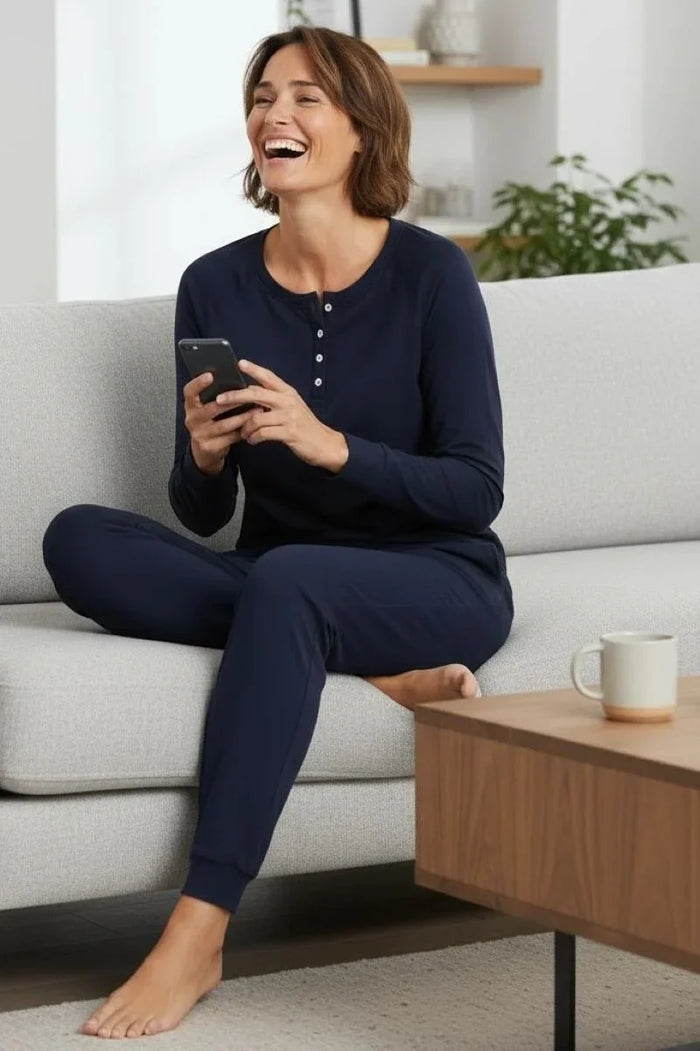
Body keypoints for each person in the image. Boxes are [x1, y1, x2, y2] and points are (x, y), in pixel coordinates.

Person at [41, 25, 514, 1040]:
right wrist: (204, 457)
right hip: (278, 570)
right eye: (263, 96)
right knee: (76, 537)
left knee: (288, 585)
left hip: (436, 573)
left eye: (306, 97)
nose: (275, 116)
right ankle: (368, 666)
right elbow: (203, 518)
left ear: (362, 127)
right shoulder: (215, 284)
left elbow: (475, 490)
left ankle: (200, 926)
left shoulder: (433, 277)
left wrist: (332, 446)